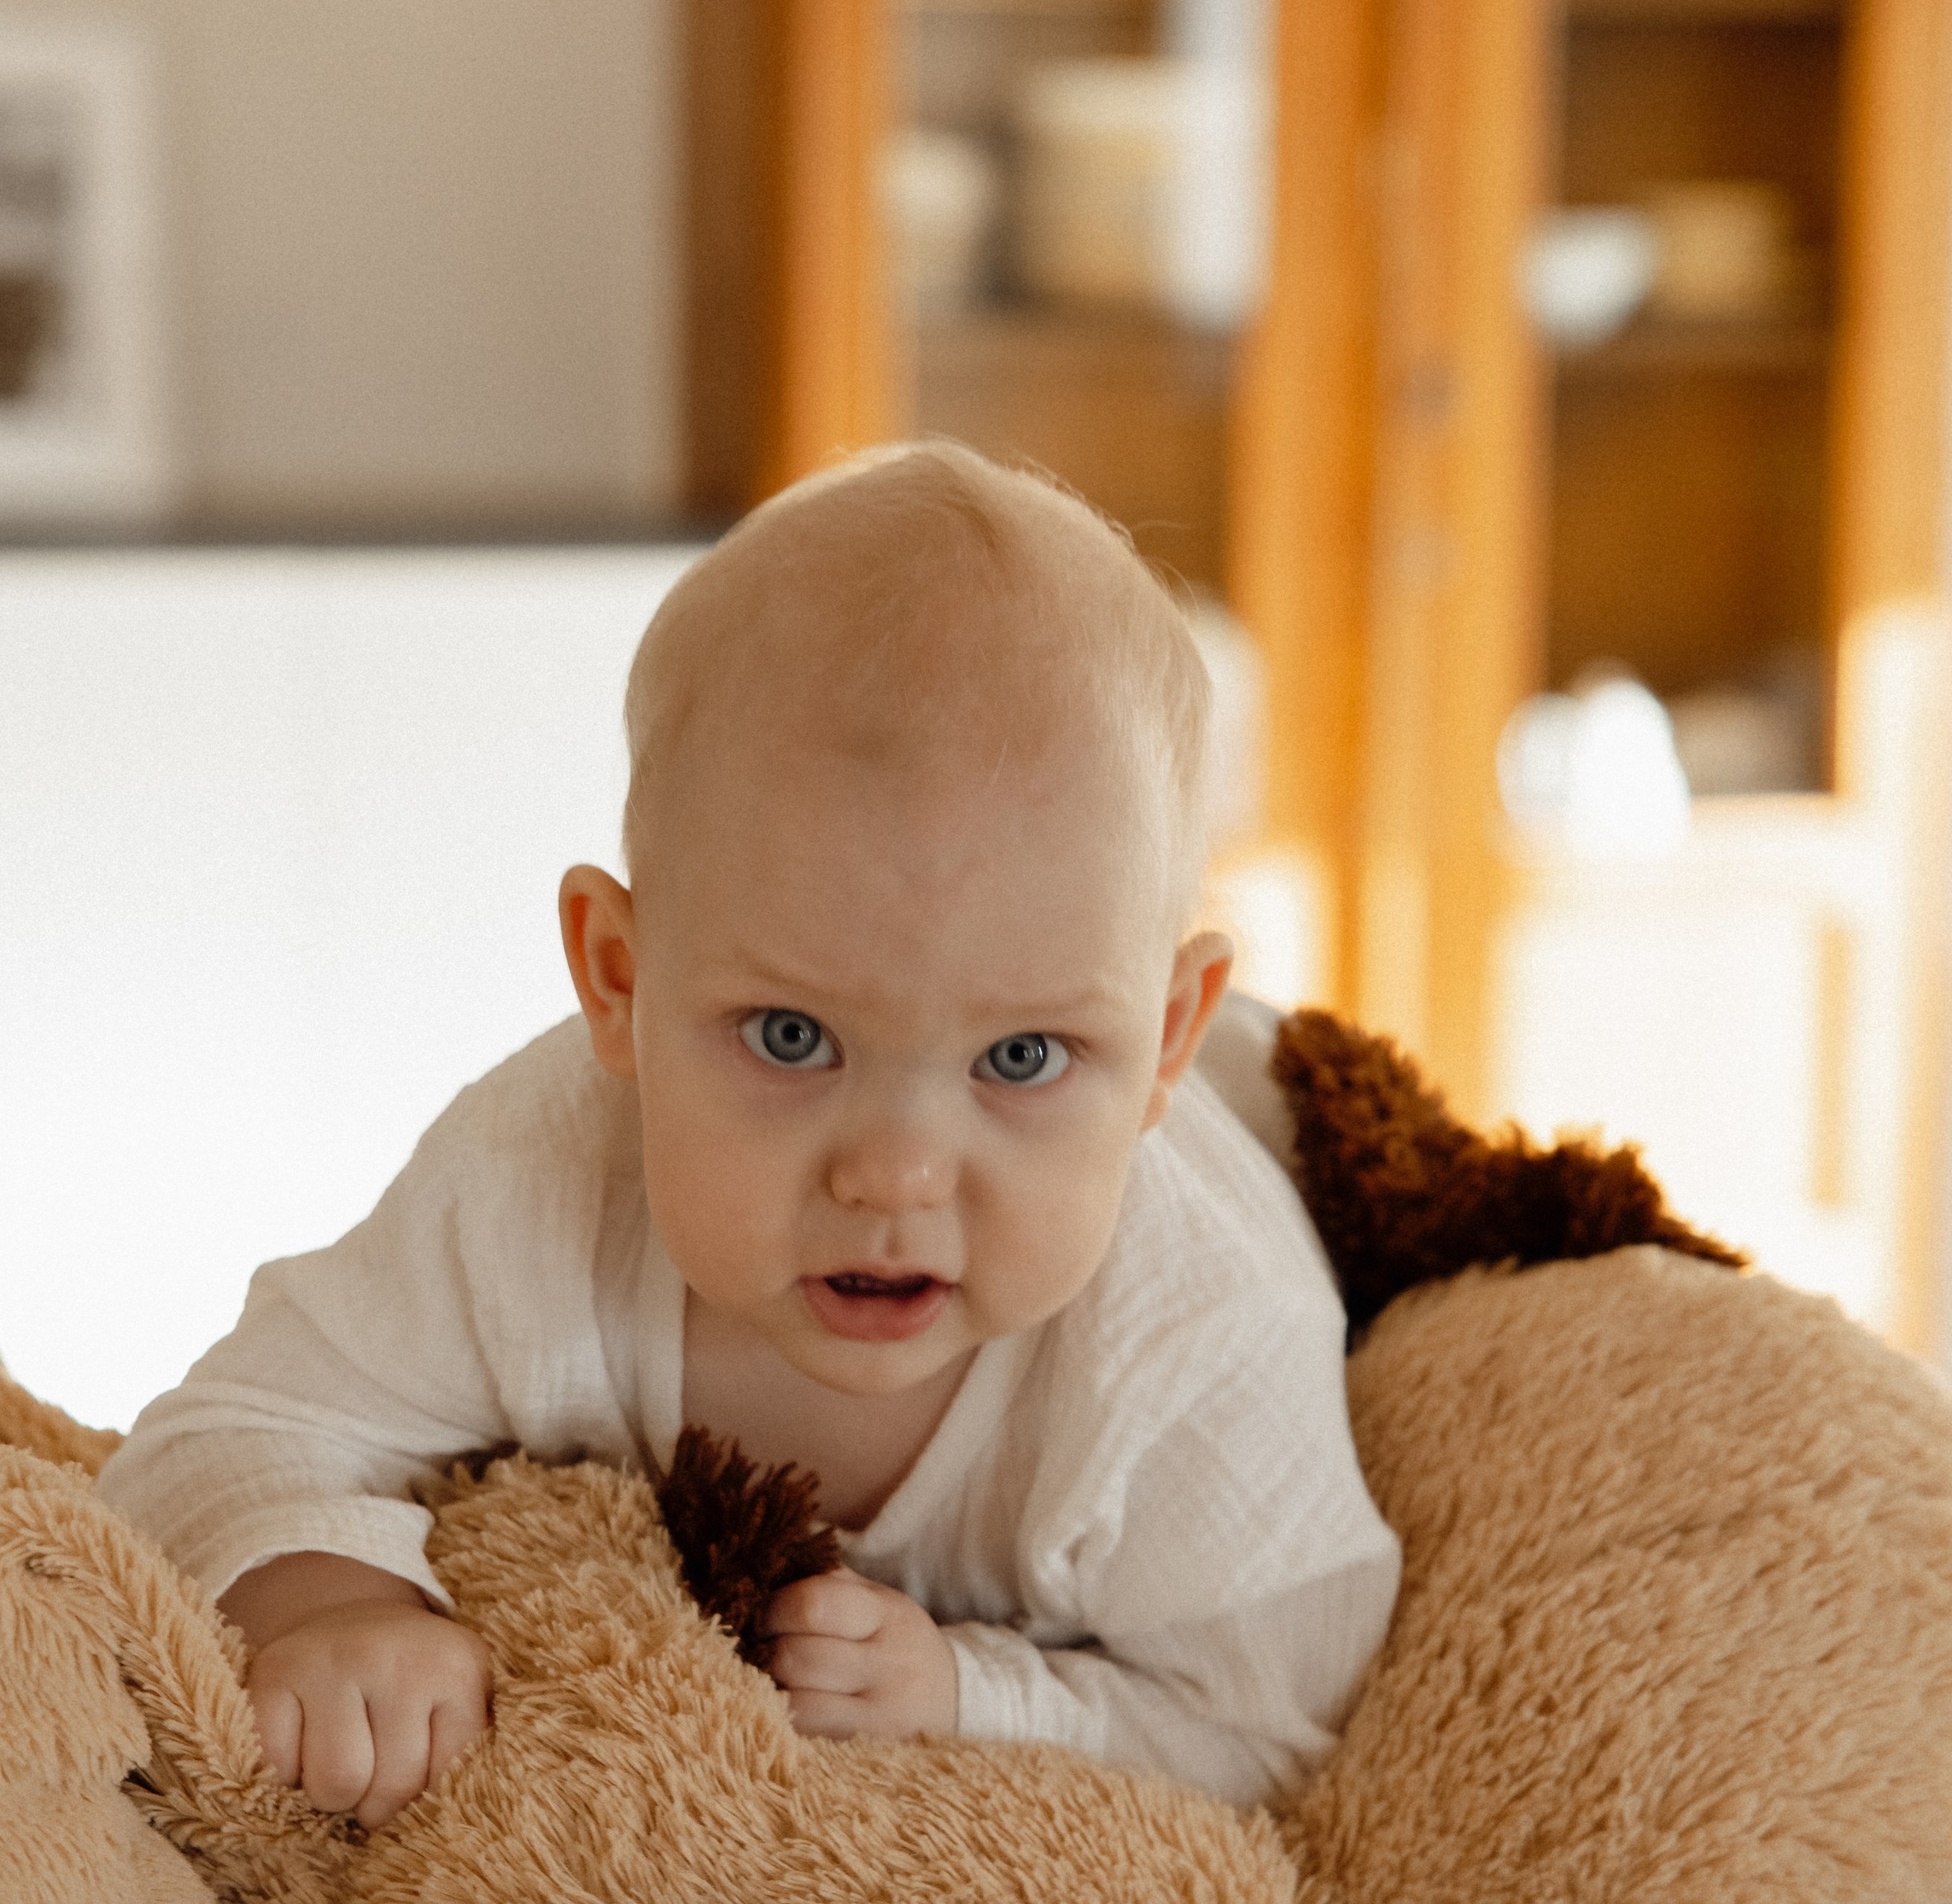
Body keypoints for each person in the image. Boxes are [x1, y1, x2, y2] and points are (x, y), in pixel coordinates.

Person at [98, 441, 1400, 1830]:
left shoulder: (1199, 1329)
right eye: (791, 1038)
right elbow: (230, 1429)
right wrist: (335, 1604)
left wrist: (972, 1696)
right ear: (619, 980)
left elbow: (1275, 1728)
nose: (893, 1174)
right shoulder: (534, 1187)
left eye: (1022, 1058)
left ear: (1167, 1042)